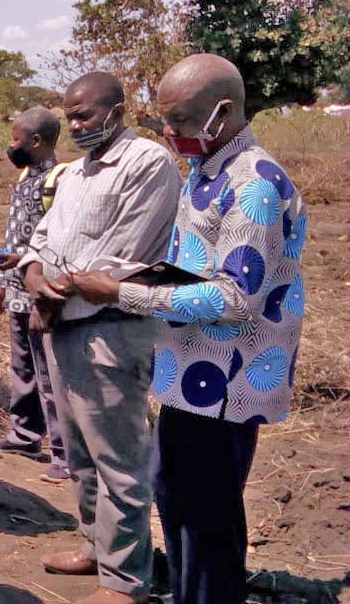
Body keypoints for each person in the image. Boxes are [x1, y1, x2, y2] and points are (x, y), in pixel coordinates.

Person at [70, 54, 306, 604]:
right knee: (177, 500)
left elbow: (233, 296)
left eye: (178, 121)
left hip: (227, 382)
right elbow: (199, 264)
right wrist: (140, 275)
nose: (169, 134)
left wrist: (122, 292)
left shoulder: (255, 185)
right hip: (188, 370)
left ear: (221, 112)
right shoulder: (207, 170)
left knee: (207, 520)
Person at [19, 72, 180, 604]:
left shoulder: (147, 164)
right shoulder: (74, 174)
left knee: (119, 462)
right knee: (82, 454)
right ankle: (95, 547)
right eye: (70, 116)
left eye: (85, 114)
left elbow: (117, 260)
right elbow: (42, 236)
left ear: (118, 109)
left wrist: (50, 291)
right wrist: (34, 271)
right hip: (64, 329)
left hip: (109, 332)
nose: (76, 125)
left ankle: (126, 580)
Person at [0, 107, 70, 483]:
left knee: (50, 373)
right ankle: (24, 433)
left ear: (36, 141)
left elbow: (56, 243)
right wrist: (2, 284)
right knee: (23, 368)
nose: (11, 146)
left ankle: (64, 452)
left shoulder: (59, 180)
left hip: (42, 294)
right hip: (18, 292)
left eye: (15, 140)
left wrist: (38, 287)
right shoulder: (23, 177)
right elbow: (14, 236)